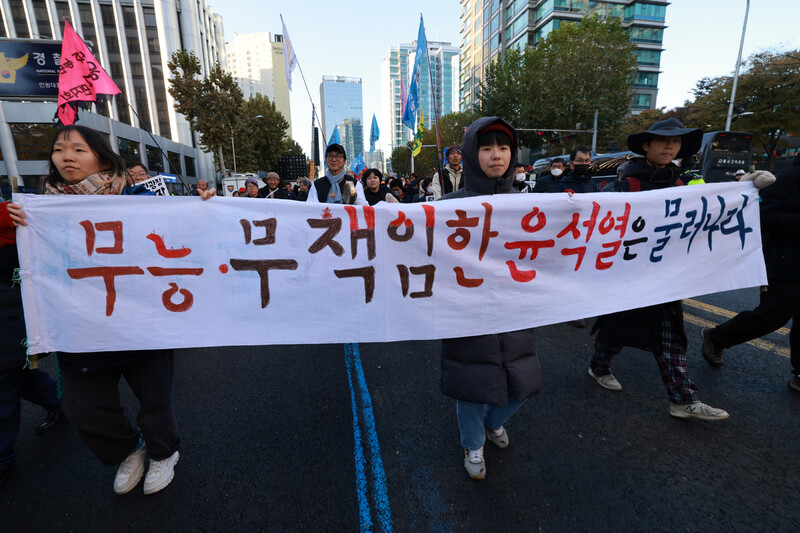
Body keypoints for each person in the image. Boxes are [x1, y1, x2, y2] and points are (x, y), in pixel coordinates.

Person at [6, 125, 214, 495]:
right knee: (84, 410)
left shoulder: (135, 198)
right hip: (80, 329)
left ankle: (164, 453)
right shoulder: (36, 210)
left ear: (101, 158)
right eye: (58, 149)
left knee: (155, 401)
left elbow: (183, 226)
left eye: (78, 149)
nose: (66, 156)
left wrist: (201, 203)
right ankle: (127, 450)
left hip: (141, 322)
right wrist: (12, 225)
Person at [587, 118, 728, 420]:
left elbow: (711, 211)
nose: (669, 146)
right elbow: (599, 217)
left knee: (670, 335)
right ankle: (599, 367)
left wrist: (747, 190)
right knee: (616, 328)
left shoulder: (683, 185)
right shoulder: (627, 183)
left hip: (666, 277)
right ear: (646, 146)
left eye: (676, 142)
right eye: (663, 140)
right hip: (629, 275)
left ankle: (682, 399)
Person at [439, 116, 541, 479]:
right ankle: (473, 444)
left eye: (503, 148)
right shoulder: (448, 206)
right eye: (486, 148)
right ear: (471, 154)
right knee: (471, 385)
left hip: (515, 309)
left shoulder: (530, 204)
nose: (496, 155)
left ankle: (494, 422)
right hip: (467, 310)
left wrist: (569, 209)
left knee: (521, 382)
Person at [700, 155, 797, 391]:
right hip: (787, 264)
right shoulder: (790, 179)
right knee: (771, 317)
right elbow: (765, 216)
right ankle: (716, 337)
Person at [0, 202, 63, 489]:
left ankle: (2, 458)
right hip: (13, 316)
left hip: (9, 317)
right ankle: (60, 402)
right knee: (17, 375)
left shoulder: (10, 216)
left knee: (8, 381)